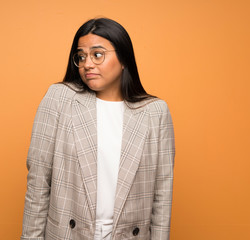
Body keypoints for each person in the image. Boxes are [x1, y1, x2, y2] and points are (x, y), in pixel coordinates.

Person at [21, 18, 175, 240]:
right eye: (81, 56)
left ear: (123, 59)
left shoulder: (155, 112)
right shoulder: (59, 99)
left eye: (97, 54)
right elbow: (38, 182)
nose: (87, 64)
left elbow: (162, 194)